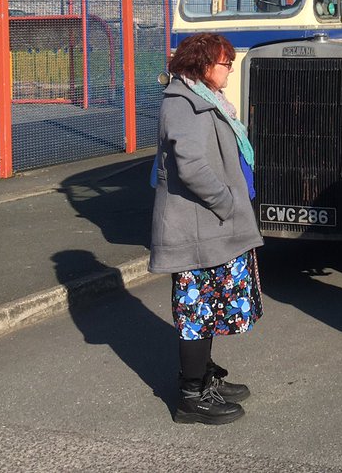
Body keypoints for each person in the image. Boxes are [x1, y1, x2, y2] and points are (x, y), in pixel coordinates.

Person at [150, 33, 264, 425]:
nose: (230, 68)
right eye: (224, 62)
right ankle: (191, 397)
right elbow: (192, 166)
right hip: (197, 227)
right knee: (196, 311)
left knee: (208, 307)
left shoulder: (202, 98)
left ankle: (204, 378)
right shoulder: (184, 103)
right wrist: (227, 202)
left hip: (209, 225)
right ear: (201, 65)